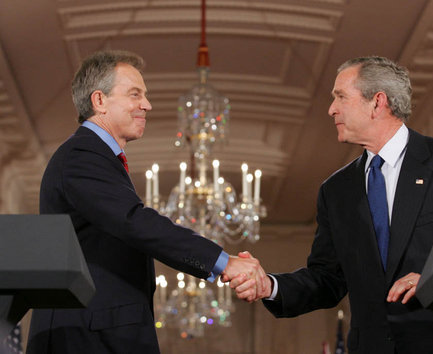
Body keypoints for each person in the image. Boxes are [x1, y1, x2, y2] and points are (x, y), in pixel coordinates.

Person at [228, 56, 433, 354]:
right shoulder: (336, 190)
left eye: (340, 97)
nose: (331, 109)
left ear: (377, 103)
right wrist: (270, 287)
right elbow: (327, 278)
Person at [27, 50, 263, 354]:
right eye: (135, 94)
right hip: (85, 338)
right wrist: (223, 262)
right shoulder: (81, 156)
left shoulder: (96, 158)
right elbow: (134, 221)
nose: (147, 105)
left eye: (145, 95)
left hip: (101, 333)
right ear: (99, 101)